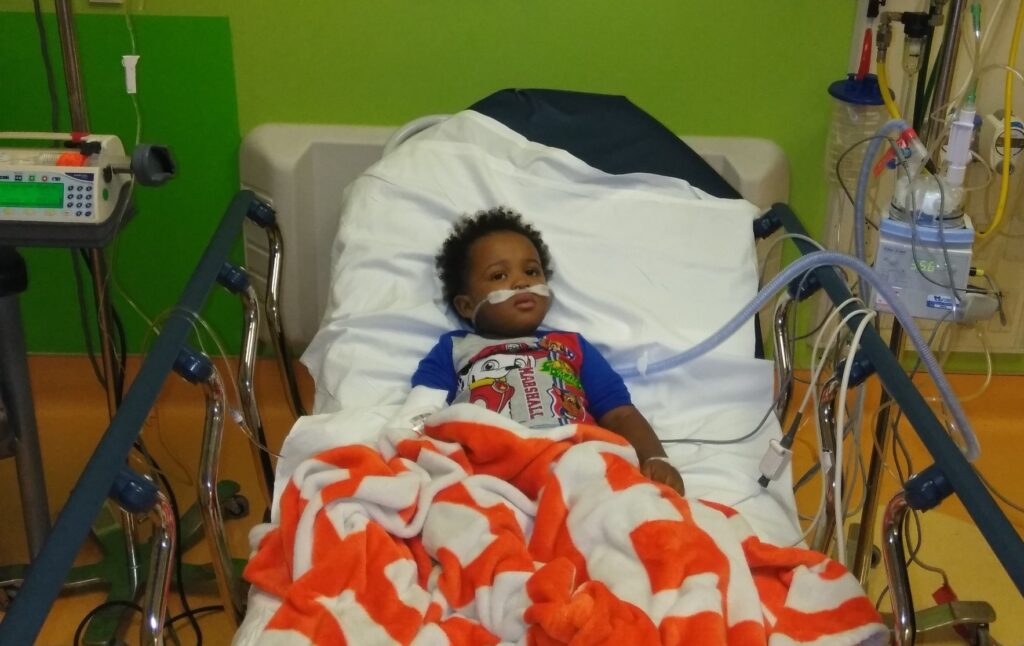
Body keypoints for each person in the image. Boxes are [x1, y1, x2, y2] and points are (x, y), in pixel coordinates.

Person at [409, 206, 685, 495]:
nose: (521, 282)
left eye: (531, 271)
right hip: (490, 468)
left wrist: (654, 457)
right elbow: (422, 411)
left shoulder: (572, 346)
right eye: (499, 276)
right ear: (466, 305)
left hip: (577, 461)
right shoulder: (454, 348)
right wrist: (406, 452)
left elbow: (619, 414)